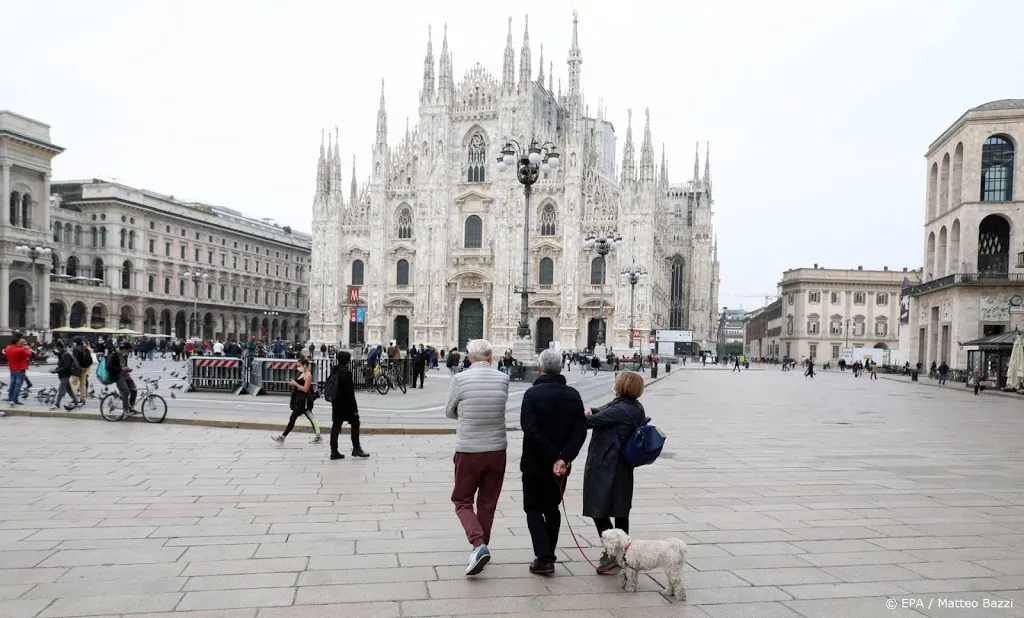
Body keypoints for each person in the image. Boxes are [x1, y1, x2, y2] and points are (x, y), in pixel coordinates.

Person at [445, 338, 510, 577]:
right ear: (490, 358)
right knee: (487, 503)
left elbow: (449, 411)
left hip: (469, 450)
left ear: (469, 358)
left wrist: (466, 417)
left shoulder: (459, 379)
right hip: (496, 450)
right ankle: (483, 547)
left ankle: (478, 544)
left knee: (462, 501)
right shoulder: (504, 379)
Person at [520, 349, 587, 575]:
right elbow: (580, 432)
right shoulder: (573, 395)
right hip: (560, 467)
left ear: (540, 368)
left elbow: (530, 429)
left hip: (534, 463)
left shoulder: (532, 395)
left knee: (532, 508)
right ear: (561, 368)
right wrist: (563, 458)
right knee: (552, 508)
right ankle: (548, 555)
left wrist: (552, 456)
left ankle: (544, 557)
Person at [583, 371, 647, 574]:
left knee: (598, 509)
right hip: (621, 465)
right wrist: (590, 410)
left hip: (607, 465)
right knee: (620, 510)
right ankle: (624, 553)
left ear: (623, 386)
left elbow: (589, 422)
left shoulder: (620, 409)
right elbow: (600, 412)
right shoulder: (633, 406)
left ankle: (614, 552)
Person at [327, 351, 370, 460]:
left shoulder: (334, 370)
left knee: (336, 426)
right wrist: (354, 409)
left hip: (336, 402)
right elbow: (350, 393)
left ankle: (334, 451)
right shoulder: (346, 373)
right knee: (355, 423)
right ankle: (356, 448)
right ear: (348, 361)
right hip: (346, 404)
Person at [272, 357, 322, 444]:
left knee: (296, 418)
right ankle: (318, 436)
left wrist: (295, 384)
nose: (298, 368)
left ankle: (282, 437)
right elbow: (299, 385)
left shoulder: (308, 375)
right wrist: (293, 384)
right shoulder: (302, 373)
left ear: (305, 365)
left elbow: (305, 389)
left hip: (305, 401)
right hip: (300, 400)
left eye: (299, 366)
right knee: (310, 418)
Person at [107, 343, 138, 416]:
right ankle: (125, 410)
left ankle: (131, 407)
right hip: (118, 376)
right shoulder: (113, 355)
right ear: (124, 349)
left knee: (134, 390)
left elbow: (124, 365)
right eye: (128, 351)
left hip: (125, 374)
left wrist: (127, 369)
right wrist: (121, 368)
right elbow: (108, 367)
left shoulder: (125, 355)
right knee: (126, 392)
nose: (128, 353)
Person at [2, 336, 32, 412]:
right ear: (17, 342)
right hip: (20, 369)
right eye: (19, 342)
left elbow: (5, 352)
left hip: (12, 369)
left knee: (12, 384)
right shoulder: (21, 349)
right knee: (18, 385)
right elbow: (29, 354)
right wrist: (26, 347)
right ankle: (15, 399)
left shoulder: (8, 348)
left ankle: (10, 398)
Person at [50, 340, 81, 411]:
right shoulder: (62, 353)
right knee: (69, 389)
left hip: (65, 374)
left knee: (61, 390)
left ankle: (57, 404)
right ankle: (76, 401)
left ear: (60, 347)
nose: (56, 349)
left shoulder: (66, 354)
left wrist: (56, 371)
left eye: (57, 348)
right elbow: (61, 363)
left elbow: (67, 366)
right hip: (62, 374)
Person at [72, 337, 93, 405]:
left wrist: (73, 367)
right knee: (82, 384)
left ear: (76, 342)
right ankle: (83, 399)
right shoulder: (85, 348)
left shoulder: (75, 349)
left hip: (77, 368)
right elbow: (90, 359)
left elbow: (74, 359)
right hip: (85, 368)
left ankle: (74, 399)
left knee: (73, 383)